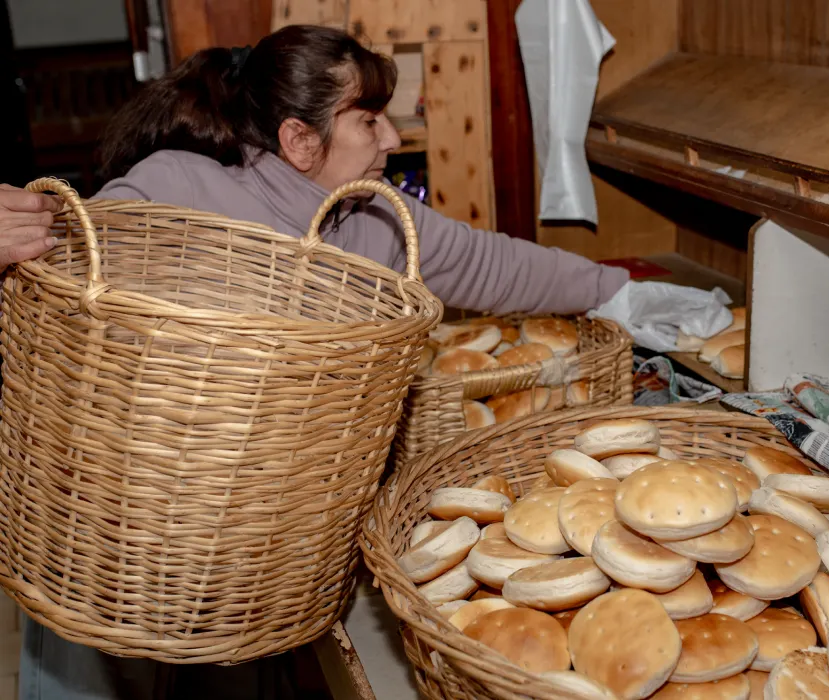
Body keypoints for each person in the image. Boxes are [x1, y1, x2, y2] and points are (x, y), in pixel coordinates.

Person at [0, 24, 636, 700]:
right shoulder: (173, 187)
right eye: (368, 120)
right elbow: (74, 294)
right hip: (127, 525)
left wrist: (627, 294)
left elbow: (493, 263)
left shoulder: (372, 224)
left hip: (266, 548)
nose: (391, 139)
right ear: (301, 141)